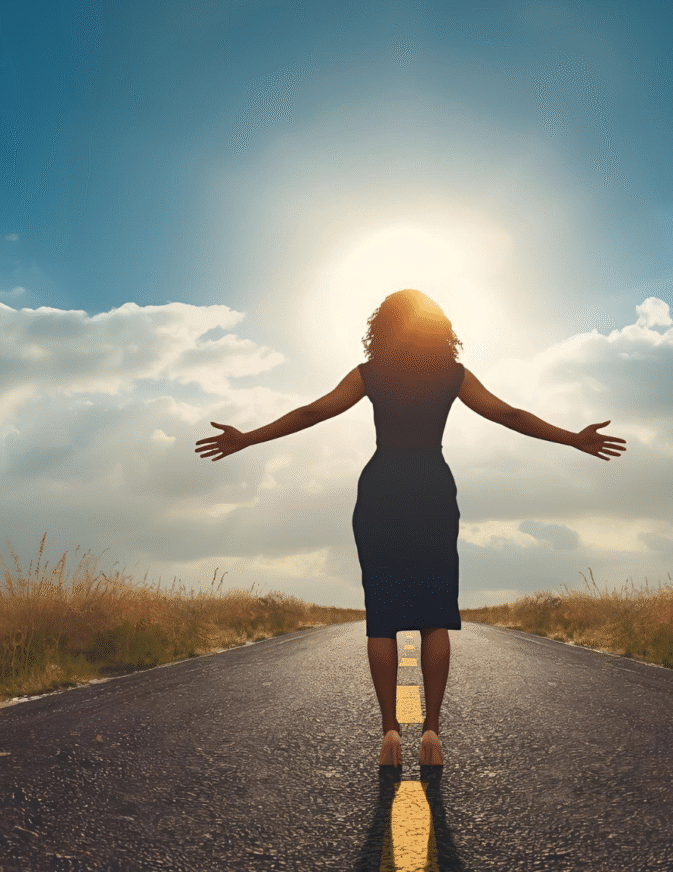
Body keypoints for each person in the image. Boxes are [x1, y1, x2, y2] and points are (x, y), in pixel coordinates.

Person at [195, 289, 627, 768]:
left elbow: (313, 412)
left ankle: (389, 734)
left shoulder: (370, 375)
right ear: (439, 327)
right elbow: (508, 415)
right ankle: (433, 732)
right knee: (434, 615)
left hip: (382, 487)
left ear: (382, 327)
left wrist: (247, 438)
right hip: (431, 489)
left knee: (382, 615)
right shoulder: (453, 376)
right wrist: (572, 438)